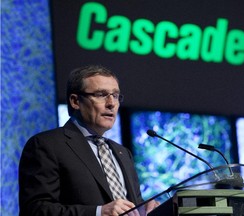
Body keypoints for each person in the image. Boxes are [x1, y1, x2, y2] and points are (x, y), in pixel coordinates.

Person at [19, 65, 159, 216]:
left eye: (116, 95)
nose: (111, 103)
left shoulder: (123, 153)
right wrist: (99, 212)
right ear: (75, 101)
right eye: (101, 94)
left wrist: (145, 207)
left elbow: (128, 207)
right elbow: (35, 210)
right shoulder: (46, 145)